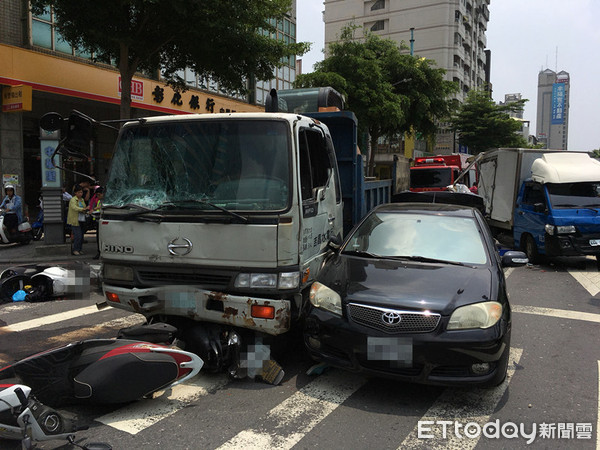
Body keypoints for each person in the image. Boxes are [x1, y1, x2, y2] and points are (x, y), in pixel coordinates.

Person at [67, 185, 88, 256]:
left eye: (81, 192)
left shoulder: (82, 200)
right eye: (79, 192)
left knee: (81, 236)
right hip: (75, 220)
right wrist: (82, 209)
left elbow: (84, 207)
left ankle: (79, 249)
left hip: (81, 219)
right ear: (75, 193)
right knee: (77, 235)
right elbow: (74, 207)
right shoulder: (73, 200)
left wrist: (85, 209)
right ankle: (75, 250)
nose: (80, 194)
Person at [89, 187, 104, 259]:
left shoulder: (107, 201)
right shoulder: (100, 201)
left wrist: (95, 209)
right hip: (99, 221)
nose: (98, 197)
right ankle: (99, 251)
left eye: (99, 195)